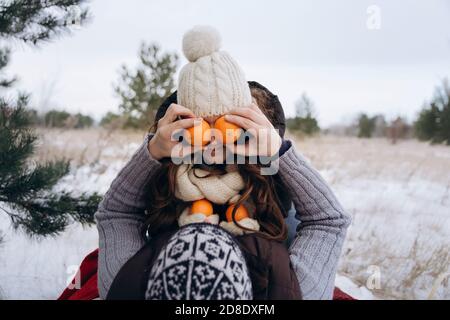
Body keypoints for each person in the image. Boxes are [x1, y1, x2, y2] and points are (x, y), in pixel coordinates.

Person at [95, 26, 351, 300]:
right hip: (258, 211)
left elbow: (117, 214)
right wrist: (278, 151)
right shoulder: (292, 291)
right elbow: (327, 220)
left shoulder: (127, 289)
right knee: (275, 198)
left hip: (183, 207)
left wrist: (155, 150)